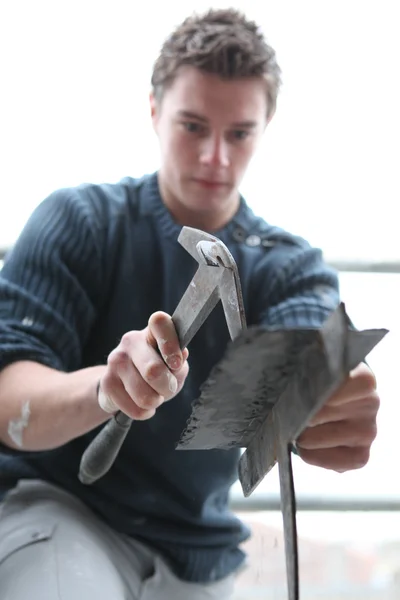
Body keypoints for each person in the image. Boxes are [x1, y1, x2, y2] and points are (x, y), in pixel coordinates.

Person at [0, 8, 379, 600]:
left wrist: (324, 407)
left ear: (266, 125)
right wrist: (106, 388)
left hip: (199, 561)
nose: (215, 160)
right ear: (153, 111)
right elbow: (7, 399)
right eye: (193, 126)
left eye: (239, 134)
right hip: (59, 516)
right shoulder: (79, 221)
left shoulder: (292, 270)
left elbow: (303, 372)